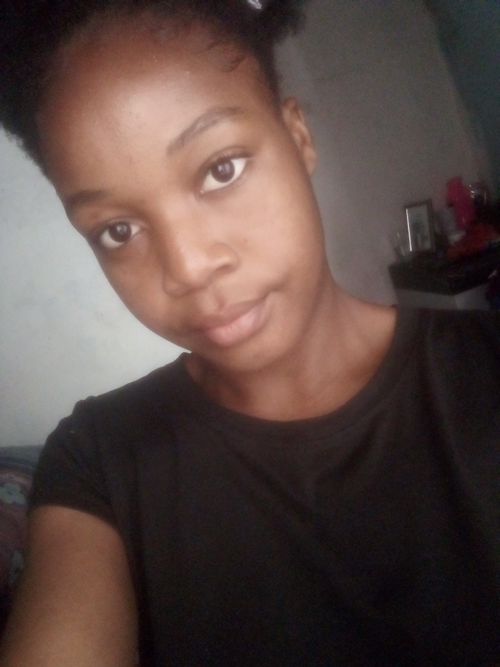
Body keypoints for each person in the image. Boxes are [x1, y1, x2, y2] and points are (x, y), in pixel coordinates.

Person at [0, 1, 498, 665]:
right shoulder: (98, 462)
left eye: (221, 168)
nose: (188, 267)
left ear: (299, 136)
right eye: (118, 230)